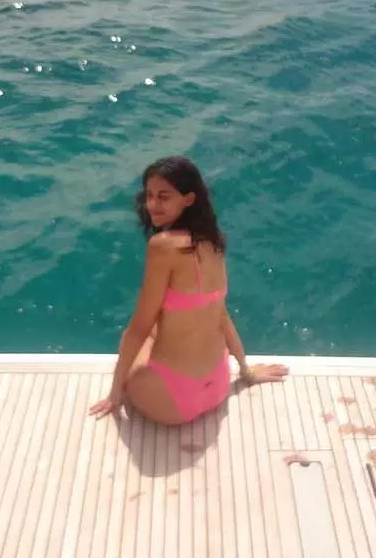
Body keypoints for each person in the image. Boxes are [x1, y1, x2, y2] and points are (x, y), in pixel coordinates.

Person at [90, 156, 288, 424]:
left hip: (171, 402)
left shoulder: (162, 246)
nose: (152, 205)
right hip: (217, 386)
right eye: (149, 196)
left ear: (188, 199)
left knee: (136, 334)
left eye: (164, 197)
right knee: (166, 326)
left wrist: (115, 393)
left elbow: (139, 327)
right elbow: (221, 315)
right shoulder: (213, 242)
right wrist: (246, 370)